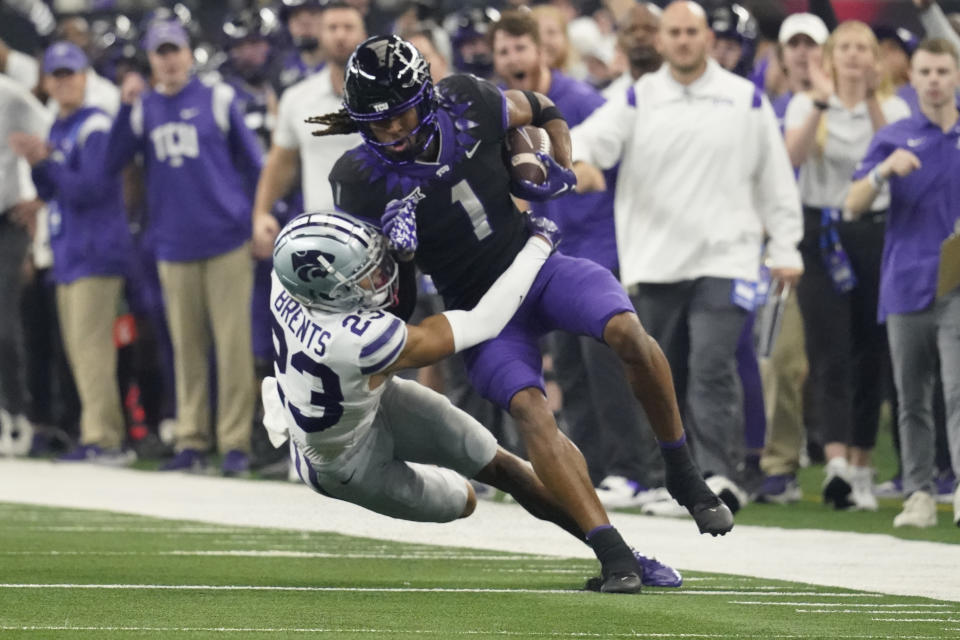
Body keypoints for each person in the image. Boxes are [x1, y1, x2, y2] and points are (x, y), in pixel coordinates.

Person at [312, 34, 733, 595]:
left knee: (627, 331)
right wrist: (403, 258)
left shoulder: (468, 99)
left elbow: (543, 106)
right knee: (531, 410)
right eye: (378, 123)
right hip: (479, 310)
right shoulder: (357, 181)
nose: (392, 132)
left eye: (402, 115)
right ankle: (612, 552)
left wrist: (559, 159)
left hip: (536, 265)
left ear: (428, 95)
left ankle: (681, 473)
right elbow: (397, 307)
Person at [263, 210, 681, 591]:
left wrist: (399, 254)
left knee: (504, 466)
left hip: (370, 403)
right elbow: (483, 322)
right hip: (345, 464)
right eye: (363, 277)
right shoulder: (355, 341)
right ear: (326, 291)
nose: (378, 277)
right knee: (465, 500)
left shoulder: (288, 280)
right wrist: (535, 249)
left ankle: (619, 555)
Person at [570, 1, 802, 514]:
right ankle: (670, 479)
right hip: (655, 261)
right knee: (660, 373)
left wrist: (785, 246)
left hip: (727, 257)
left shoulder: (745, 99)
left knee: (711, 365)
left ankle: (720, 475)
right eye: (672, 32)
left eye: (690, 31)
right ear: (663, 40)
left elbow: (775, 177)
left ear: (705, 37)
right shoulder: (637, 97)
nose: (681, 40)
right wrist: (576, 159)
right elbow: (590, 140)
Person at [491, 9, 661, 505]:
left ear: (542, 52)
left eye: (521, 48)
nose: (513, 58)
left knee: (606, 364)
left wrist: (555, 176)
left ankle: (633, 471)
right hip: (551, 252)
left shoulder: (583, 101)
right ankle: (591, 470)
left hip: (599, 247)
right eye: (504, 51)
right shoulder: (503, 108)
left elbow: (599, 172)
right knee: (568, 368)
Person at [105, 20, 263, 476]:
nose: (169, 60)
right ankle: (192, 439)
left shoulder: (218, 98)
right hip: (173, 244)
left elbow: (255, 164)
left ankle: (234, 443)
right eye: (160, 53)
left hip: (226, 239)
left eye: (175, 51)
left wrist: (258, 218)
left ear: (190, 54)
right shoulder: (143, 108)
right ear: (151, 60)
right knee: (186, 348)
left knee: (232, 346)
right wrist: (124, 106)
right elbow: (113, 163)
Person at [784, 20, 911, 511]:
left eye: (864, 49)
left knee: (869, 348)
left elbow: (894, 150)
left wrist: (872, 97)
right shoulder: (808, 102)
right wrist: (821, 101)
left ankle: (861, 461)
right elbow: (792, 158)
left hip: (876, 231)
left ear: (875, 60)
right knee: (828, 347)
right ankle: (836, 461)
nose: (855, 56)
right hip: (821, 231)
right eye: (846, 48)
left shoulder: (895, 106)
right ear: (831, 57)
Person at [844, 38, 960, 528]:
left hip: (957, 281)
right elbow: (851, 203)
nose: (934, 80)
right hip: (906, 277)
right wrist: (883, 174)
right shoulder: (893, 137)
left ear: (955, 76)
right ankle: (919, 493)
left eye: (942, 70)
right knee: (910, 395)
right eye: (925, 71)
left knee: (957, 389)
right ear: (911, 78)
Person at [10, 42, 134, 464]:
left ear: (85, 78)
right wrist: (37, 165)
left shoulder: (94, 125)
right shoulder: (58, 127)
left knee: (92, 348)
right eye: (56, 76)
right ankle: (95, 432)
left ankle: (105, 438)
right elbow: (53, 191)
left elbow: (90, 189)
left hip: (96, 249)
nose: (63, 83)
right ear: (47, 82)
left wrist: (48, 162)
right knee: (78, 350)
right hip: (70, 250)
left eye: (70, 74)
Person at [0, 67, 51, 457]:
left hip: (8, 220)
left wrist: (38, 193)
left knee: (3, 320)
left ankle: (15, 411)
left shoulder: (11, 95)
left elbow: (51, 137)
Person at [276, 0, 326, 94]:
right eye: (296, 16)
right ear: (289, 25)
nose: (305, 22)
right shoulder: (279, 69)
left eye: (313, 13)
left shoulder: (346, 64)